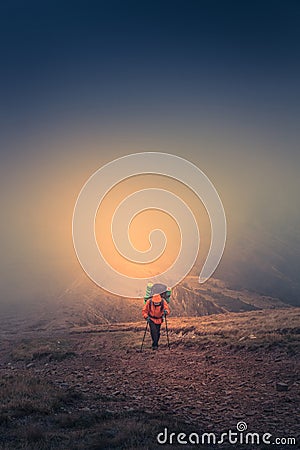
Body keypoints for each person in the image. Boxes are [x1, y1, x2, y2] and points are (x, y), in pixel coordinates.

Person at [142, 284, 170, 350]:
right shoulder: (149, 302)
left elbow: (167, 309)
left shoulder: (163, 302)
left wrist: (166, 312)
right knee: (153, 331)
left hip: (159, 320)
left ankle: (155, 344)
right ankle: (155, 345)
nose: (156, 304)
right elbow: (144, 311)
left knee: (157, 332)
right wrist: (146, 317)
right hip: (151, 319)